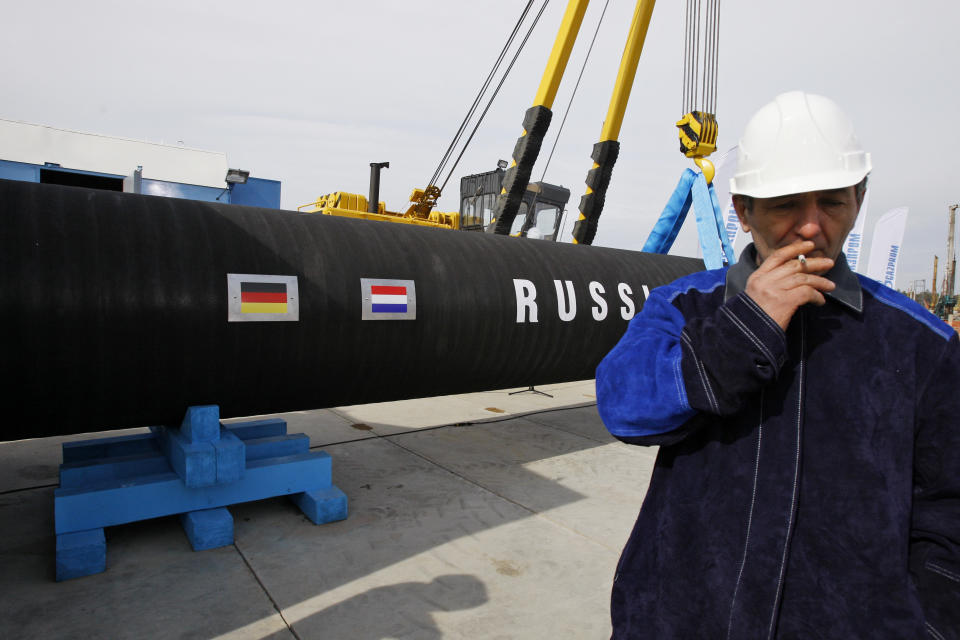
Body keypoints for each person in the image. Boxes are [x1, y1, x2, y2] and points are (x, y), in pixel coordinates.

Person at [596, 91, 960, 639]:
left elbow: (948, 511)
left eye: (832, 201)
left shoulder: (921, 344)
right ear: (743, 211)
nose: (811, 227)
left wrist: (926, 622)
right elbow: (623, 408)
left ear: (859, 199)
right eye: (787, 203)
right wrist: (745, 329)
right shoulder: (684, 306)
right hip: (679, 620)